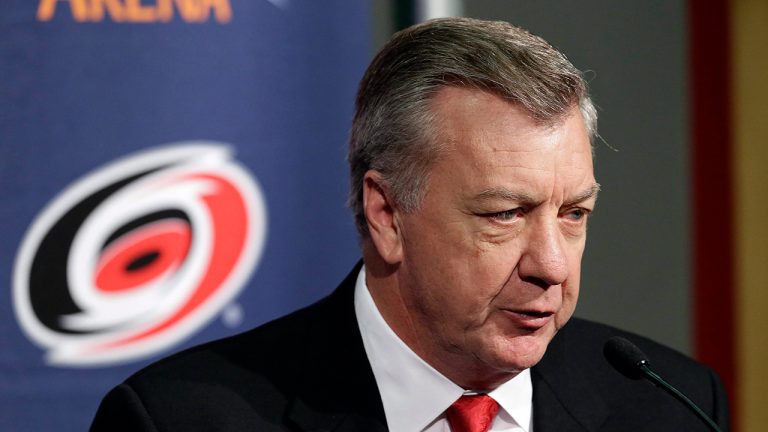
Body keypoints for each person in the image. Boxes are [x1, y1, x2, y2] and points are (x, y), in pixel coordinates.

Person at [91, 17, 729, 432]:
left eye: (573, 215)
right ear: (386, 213)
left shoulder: (670, 407)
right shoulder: (182, 420)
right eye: (504, 214)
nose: (552, 267)